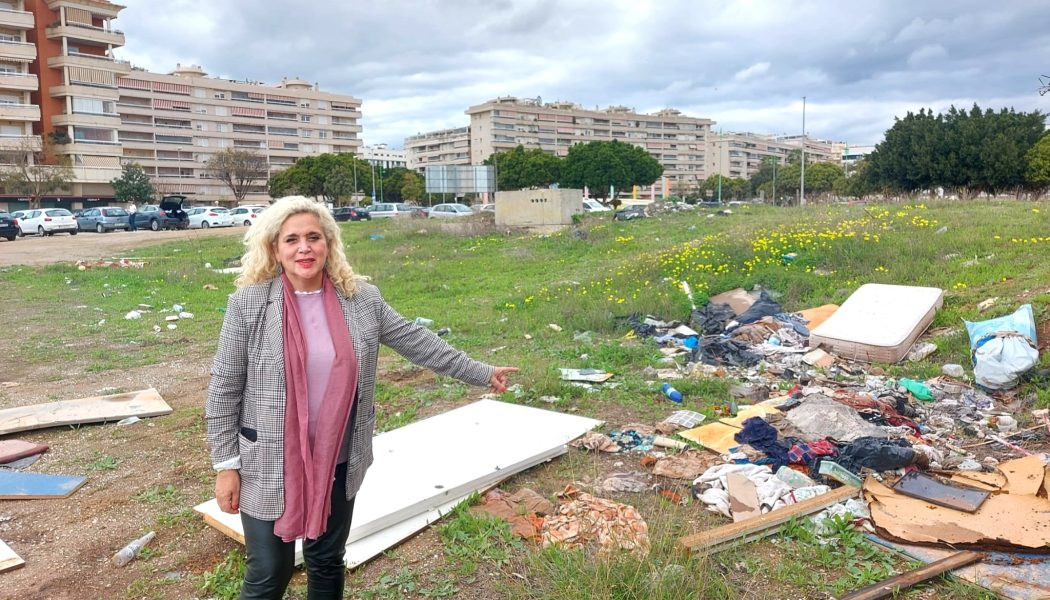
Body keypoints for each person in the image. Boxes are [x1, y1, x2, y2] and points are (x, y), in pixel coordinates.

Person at [206, 196, 516, 599]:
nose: (305, 248)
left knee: (326, 561)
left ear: (329, 244)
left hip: (338, 458)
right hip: (267, 460)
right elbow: (224, 387)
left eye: (314, 237)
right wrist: (226, 465)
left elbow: (416, 341)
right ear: (274, 249)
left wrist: (482, 372)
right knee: (269, 571)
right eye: (292, 239)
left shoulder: (361, 299)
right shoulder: (249, 305)